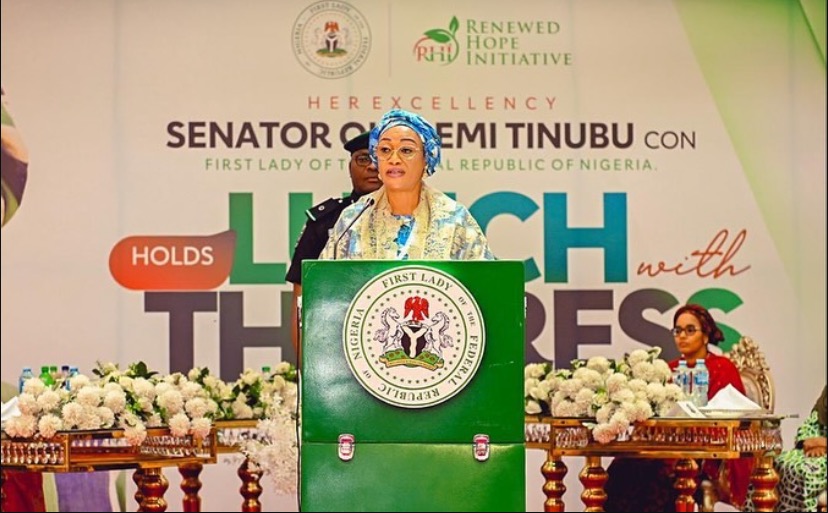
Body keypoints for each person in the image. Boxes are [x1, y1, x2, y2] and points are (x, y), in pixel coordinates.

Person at [604, 304, 753, 512]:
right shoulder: (669, 369)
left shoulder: (723, 367)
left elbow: (730, 419)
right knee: (622, 468)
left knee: (655, 477)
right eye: (678, 330)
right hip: (664, 448)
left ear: (706, 336)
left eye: (690, 330)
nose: (682, 336)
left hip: (702, 453)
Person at [319, 108, 494, 261]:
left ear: (426, 159)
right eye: (385, 150)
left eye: (406, 150)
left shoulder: (455, 218)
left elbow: (483, 282)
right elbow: (327, 281)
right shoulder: (353, 218)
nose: (394, 159)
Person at [285, 130, 382, 359]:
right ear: (350, 167)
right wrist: (306, 367)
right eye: (363, 159)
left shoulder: (416, 220)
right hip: (337, 345)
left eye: (379, 159)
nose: (372, 166)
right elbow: (301, 300)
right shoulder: (326, 221)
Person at [772, 385, 827, 511]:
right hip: (818, 447)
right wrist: (809, 441)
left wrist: (823, 443)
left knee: (807, 471)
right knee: (776, 464)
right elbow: (813, 421)